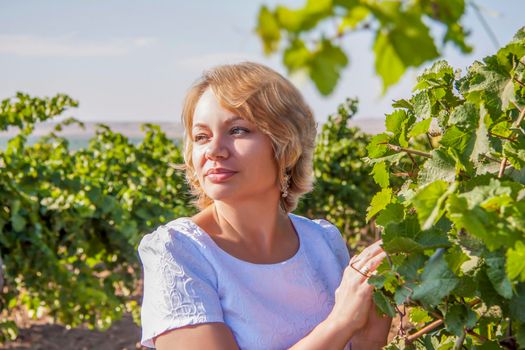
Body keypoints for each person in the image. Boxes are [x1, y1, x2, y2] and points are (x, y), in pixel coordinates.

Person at [138, 62, 391, 349]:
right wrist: (341, 322)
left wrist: (372, 330)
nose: (214, 150)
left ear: (285, 144)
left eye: (237, 130)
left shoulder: (324, 241)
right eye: (201, 137)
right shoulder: (177, 252)